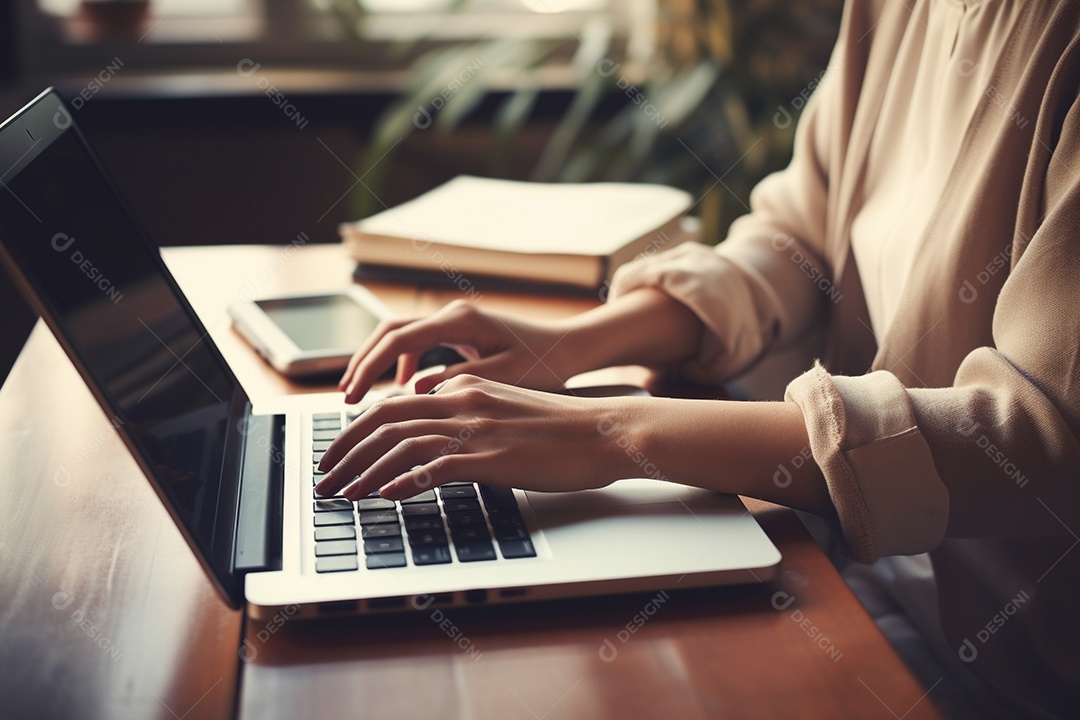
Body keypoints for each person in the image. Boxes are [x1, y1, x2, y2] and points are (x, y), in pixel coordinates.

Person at [315, 1, 1080, 717]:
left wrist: (615, 432)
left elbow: (1045, 436)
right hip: (845, 559)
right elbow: (800, 235)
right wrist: (583, 342)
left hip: (1001, 668)